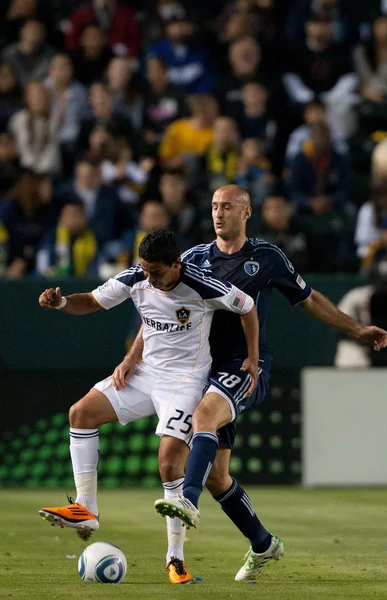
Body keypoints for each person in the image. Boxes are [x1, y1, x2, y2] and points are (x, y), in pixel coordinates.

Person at [149, 184, 387, 581]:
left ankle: (186, 502)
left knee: (203, 415)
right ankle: (263, 544)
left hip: (244, 366)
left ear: (246, 212)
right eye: (213, 206)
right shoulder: (191, 259)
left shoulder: (266, 257)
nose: (218, 213)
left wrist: (357, 328)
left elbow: (309, 299)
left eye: (226, 206)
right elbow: (159, 303)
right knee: (216, 476)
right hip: (201, 368)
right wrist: (132, 357)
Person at [37, 229, 258, 586]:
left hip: (184, 381)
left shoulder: (203, 286)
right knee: (80, 413)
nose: (149, 277)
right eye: (145, 269)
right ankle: (86, 508)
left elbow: (247, 306)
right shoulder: (136, 277)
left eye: (156, 271)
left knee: (169, 463)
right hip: (145, 375)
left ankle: (175, 559)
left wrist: (253, 356)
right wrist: (62, 302)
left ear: (176, 265)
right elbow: (91, 302)